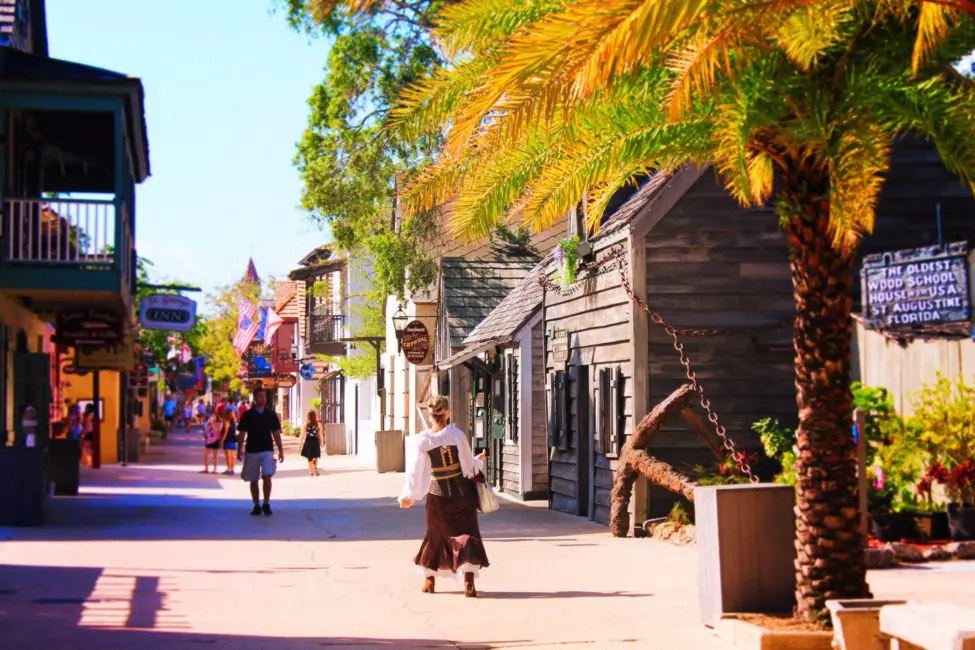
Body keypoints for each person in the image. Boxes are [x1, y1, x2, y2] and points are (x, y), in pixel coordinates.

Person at [398, 396, 489, 598]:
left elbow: (415, 470)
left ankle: (430, 580)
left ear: (430, 414)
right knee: (467, 534)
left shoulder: (423, 441)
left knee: (436, 535)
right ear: (447, 413)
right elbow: (468, 467)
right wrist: (478, 461)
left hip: (437, 494)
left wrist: (409, 494)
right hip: (462, 493)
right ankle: (469, 582)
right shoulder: (457, 435)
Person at [236, 389, 284, 516]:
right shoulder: (247, 415)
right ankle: (256, 505)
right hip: (252, 450)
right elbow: (242, 434)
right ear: (255, 398)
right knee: (253, 479)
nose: (263, 399)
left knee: (267, 476)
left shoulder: (271, 415)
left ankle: (266, 503)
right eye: (260, 396)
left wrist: (281, 450)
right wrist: (239, 449)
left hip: (267, 449)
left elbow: (276, 433)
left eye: (264, 396)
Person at [299, 410, 324, 477]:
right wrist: (322, 442)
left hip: (308, 442)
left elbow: (302, 435)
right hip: (315, 441)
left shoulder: (306, 424)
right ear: (315, 416)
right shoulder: (318, 424)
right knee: (315, 456)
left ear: (308, 416)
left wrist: (300, 444)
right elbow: (321, 434)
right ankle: (315, 467)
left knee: (309, 457)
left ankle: (311, 471)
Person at [220, 407, 238, 475]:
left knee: (228, 455)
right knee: (232, 455)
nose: (233, 414)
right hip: (232, 439)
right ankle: (232, 469)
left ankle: (229, 468)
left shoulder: (226, 421)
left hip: (227, 439)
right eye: (233, 413)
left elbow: (225, 432)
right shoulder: (233, 421)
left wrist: (222, 440)